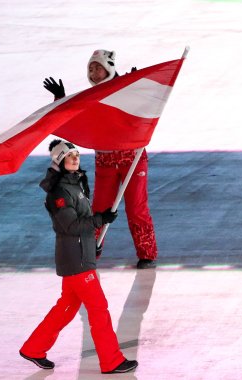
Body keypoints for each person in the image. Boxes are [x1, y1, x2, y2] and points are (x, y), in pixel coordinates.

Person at [19, 139, 138, 374]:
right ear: (59, 160)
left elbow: (79, 228)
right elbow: (70, 226)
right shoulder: (59, 192)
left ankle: (34, 348)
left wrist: (94, 241)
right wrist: (99, 219)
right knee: (98, 307)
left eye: (76, 154)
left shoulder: (76, 186)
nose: (75, 158)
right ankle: (111, 360)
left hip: (79, 256)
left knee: (67, 306)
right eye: (69, 155)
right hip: (75, 260)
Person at [43, 49, 158, 269]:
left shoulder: (126, 88)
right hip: (105, 162)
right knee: (98, 210)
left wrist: (137, 88)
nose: (94, 72)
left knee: (136, 208)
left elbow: (145, 107)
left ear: (109, 67)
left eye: (98, 67)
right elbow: (73, 117)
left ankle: (147, 254)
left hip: (132, 159)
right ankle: (89, 252)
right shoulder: (92, 98)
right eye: (91, 69)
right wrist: (60, 98)